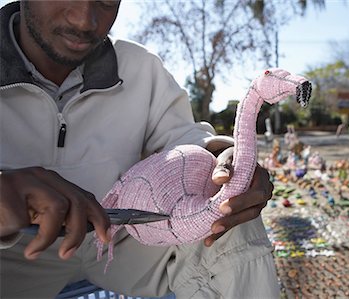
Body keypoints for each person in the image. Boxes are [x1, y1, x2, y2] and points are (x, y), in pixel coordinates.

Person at [0, 1, 279, 298]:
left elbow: (183, 138)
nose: (84, 21)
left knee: (226, 217)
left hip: (122, 235)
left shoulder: (141, 66)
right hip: (16, 252)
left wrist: (221, 156)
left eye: (106, 1)